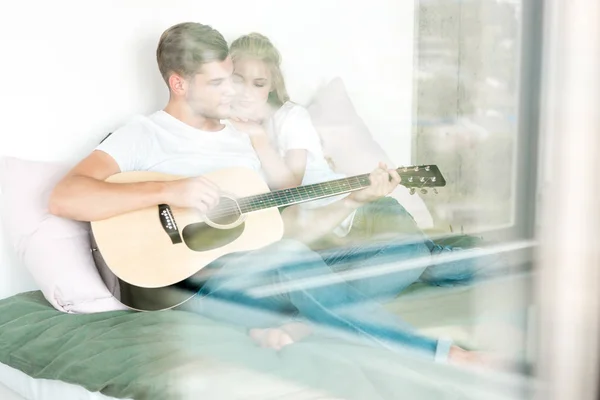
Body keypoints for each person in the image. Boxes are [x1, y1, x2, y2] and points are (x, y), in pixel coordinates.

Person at [48, 22, 484, 366]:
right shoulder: (144, 134)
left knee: (397, 253)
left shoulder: (243, 141)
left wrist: (352, 200)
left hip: (261, 272)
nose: (232, 91)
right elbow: (66, 197)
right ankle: (443, 355)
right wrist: (170, 189)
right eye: (218, 82)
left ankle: (306, 324)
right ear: (180, 84)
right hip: (188, 285)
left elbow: (279, 229)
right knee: (291, 260)